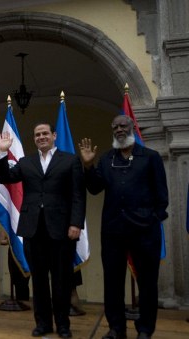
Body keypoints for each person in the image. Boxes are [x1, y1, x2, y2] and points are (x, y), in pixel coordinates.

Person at [79, 115, 168, 339]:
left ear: (132, 128)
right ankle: (116, 328)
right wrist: (88, 166)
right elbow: (95, 188)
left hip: (145, 231)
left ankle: (145, 329)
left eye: (123, 126)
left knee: (147, 283)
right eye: (115, 127)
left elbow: (162, 197)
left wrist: (151, 218)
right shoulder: (107, 158)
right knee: (113, 283)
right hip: (113, 232)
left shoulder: (151, 157)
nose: (119, 129)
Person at [0, 123, 86, 338]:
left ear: (54, 136)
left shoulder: (70, 160)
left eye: (45, 133)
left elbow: (78, 195)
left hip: (62, 229)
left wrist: (76, 224)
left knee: (62, 280)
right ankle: (43, 323)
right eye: (37, 134)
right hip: (33, 229)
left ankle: (63, 325)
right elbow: (6, 177)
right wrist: (2, 152)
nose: (41, 137)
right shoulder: (26, 162)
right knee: (39, 280)